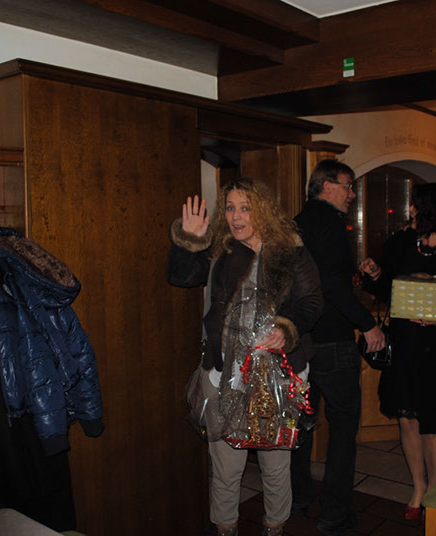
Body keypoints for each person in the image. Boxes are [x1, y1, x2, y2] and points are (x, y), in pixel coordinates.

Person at [167, 178, 323, 536]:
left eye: (245, 208)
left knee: (275, 465)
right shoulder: (222, 249)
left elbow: (312, 302)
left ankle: (274, 528)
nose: (236, 217)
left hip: (279, 377)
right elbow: (181, 277)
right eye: (230, 208)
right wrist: (189, 242)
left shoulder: (291, 249)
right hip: (224, 375)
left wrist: (287, 329)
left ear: (263, 210)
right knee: (225, 467)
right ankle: (225, 530)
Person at [358, 182, 436, 522]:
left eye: (417, 205)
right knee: (406, 416)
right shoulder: (400, 242)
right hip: (405, 342)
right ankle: (418, 486)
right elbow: (386, 288)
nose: (411, 210)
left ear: (435, 209)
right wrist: (374, 274)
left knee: (432, 420)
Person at [290, 159, 385, 536]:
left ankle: (297, 498)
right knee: (344, 429)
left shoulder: (298, 221)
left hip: (302, 341)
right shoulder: (330, 223)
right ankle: (334, 513)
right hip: (332, 339)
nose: (352, 195)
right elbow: (329, 284)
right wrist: (368, 323)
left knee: (301, 425)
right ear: (327, 186)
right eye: (348, 186)